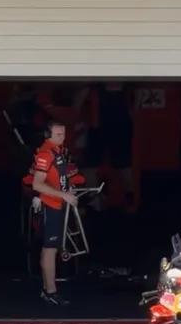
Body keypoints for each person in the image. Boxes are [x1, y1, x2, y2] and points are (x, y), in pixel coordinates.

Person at [29, 122, 78, 305]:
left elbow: (58, 177)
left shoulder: (58, 151)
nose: (62, 137)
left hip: (58, 205)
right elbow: (37, 184)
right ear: (48, 135)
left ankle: (47, 290)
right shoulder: (46, 153)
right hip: (50, 206)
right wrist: (63, 195)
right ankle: (50, 292)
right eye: (58, 134)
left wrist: (67, 190)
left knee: (52, 249)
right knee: (49, 250)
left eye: (63, 134)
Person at [73, 82, 137, 212]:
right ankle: (90, 202)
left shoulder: (124, 91)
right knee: (98, 163)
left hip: (117, 131)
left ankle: (128, 200)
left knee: (121, 163)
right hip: (107, 131)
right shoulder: (95, 90)